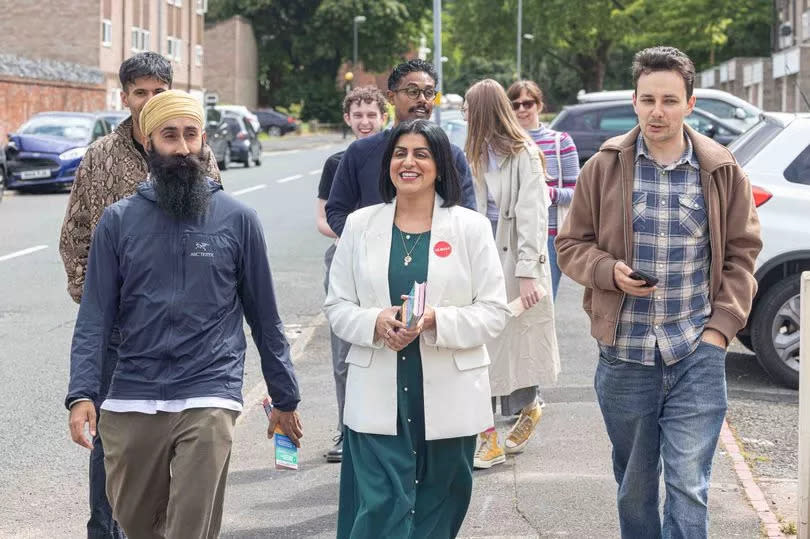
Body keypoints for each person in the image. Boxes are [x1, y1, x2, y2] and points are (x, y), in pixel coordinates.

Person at [65, 90, 302, 539]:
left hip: (209, 392)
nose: (182, 147)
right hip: (131, 393)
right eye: (169, 135)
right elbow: (94, 317)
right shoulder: (117, 222)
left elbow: (265, 317)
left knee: (188, 528)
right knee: (137, 526)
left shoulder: (238, 219)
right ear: (148, 140)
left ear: (204, 139)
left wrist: (285, 395)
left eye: (190, 135)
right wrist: (81, 395)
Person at [555, 47, 762, 538]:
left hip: (696, 351)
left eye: (670, 100)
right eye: (648, 99)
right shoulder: (604, 166)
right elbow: (569, 244)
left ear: (690, 104)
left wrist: (720, 332)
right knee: (635, 485)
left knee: (690, 484)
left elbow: (742, 252)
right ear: (634, 101)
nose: (657, 111)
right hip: (625, 354)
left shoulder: (720, 169)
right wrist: (608, 271)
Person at [58, 51, 220, 539]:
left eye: (159, 90)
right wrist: (103, 305)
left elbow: (215, 233)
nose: (149, 100)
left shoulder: (196, 152)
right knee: (113, 448)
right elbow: (76, 237)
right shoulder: (100, 158)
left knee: (186, 445)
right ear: (124, 97)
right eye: (140, 92)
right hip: (120, 335)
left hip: (186, 337)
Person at [324, 119, 509, 538]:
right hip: (376, 391)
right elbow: (336, 306)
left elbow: (494, 312)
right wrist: (374, 321)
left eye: (421, 154)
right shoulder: (359, 225)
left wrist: (434, 320)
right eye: (400, 153)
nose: (408, 162)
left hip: (450, 393)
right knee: (379, 505)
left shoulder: (470, 228)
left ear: (440, 166)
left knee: (440, 504)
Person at [463, 79, 560, 469]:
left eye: (469, 108)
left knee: (512, 350)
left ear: (484, 111)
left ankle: (521, 414)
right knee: (477, 351)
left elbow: (534, 216)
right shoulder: (472, 153)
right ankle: (488, 437)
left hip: (511, 263)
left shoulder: (524, 153)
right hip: (477, 261)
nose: (464, 115)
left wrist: (527, 273)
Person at [316, 86, 388, 462]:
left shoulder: (399, 157)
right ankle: (347, 428)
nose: (364, 122)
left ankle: (383, 428)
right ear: (347, 119)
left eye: (371, 115)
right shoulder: (337, 162)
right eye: (357, 115)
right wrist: (358, 233)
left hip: (392, 257)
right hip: (346, 256)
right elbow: (323, 218)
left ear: (384, 117)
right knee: (345, 349)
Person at [325, 59, 477, 237]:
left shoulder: (452, 155)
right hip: (373, 260)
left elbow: (467, 214)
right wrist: (365, 243)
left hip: (435, 259)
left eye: (429, 93)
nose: (422, 99)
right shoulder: (360, 152)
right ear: (391, 97)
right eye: (413, 91)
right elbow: (337, 210)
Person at [506, 80, 579, 299]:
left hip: (548, 236)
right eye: (515, 104)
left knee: (543, 304)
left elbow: (576, 193)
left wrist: (545, 194)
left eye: (527, 103)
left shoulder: (560, 142)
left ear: (539, 105)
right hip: (510, 235)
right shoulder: (504, 143)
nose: (521, 109)